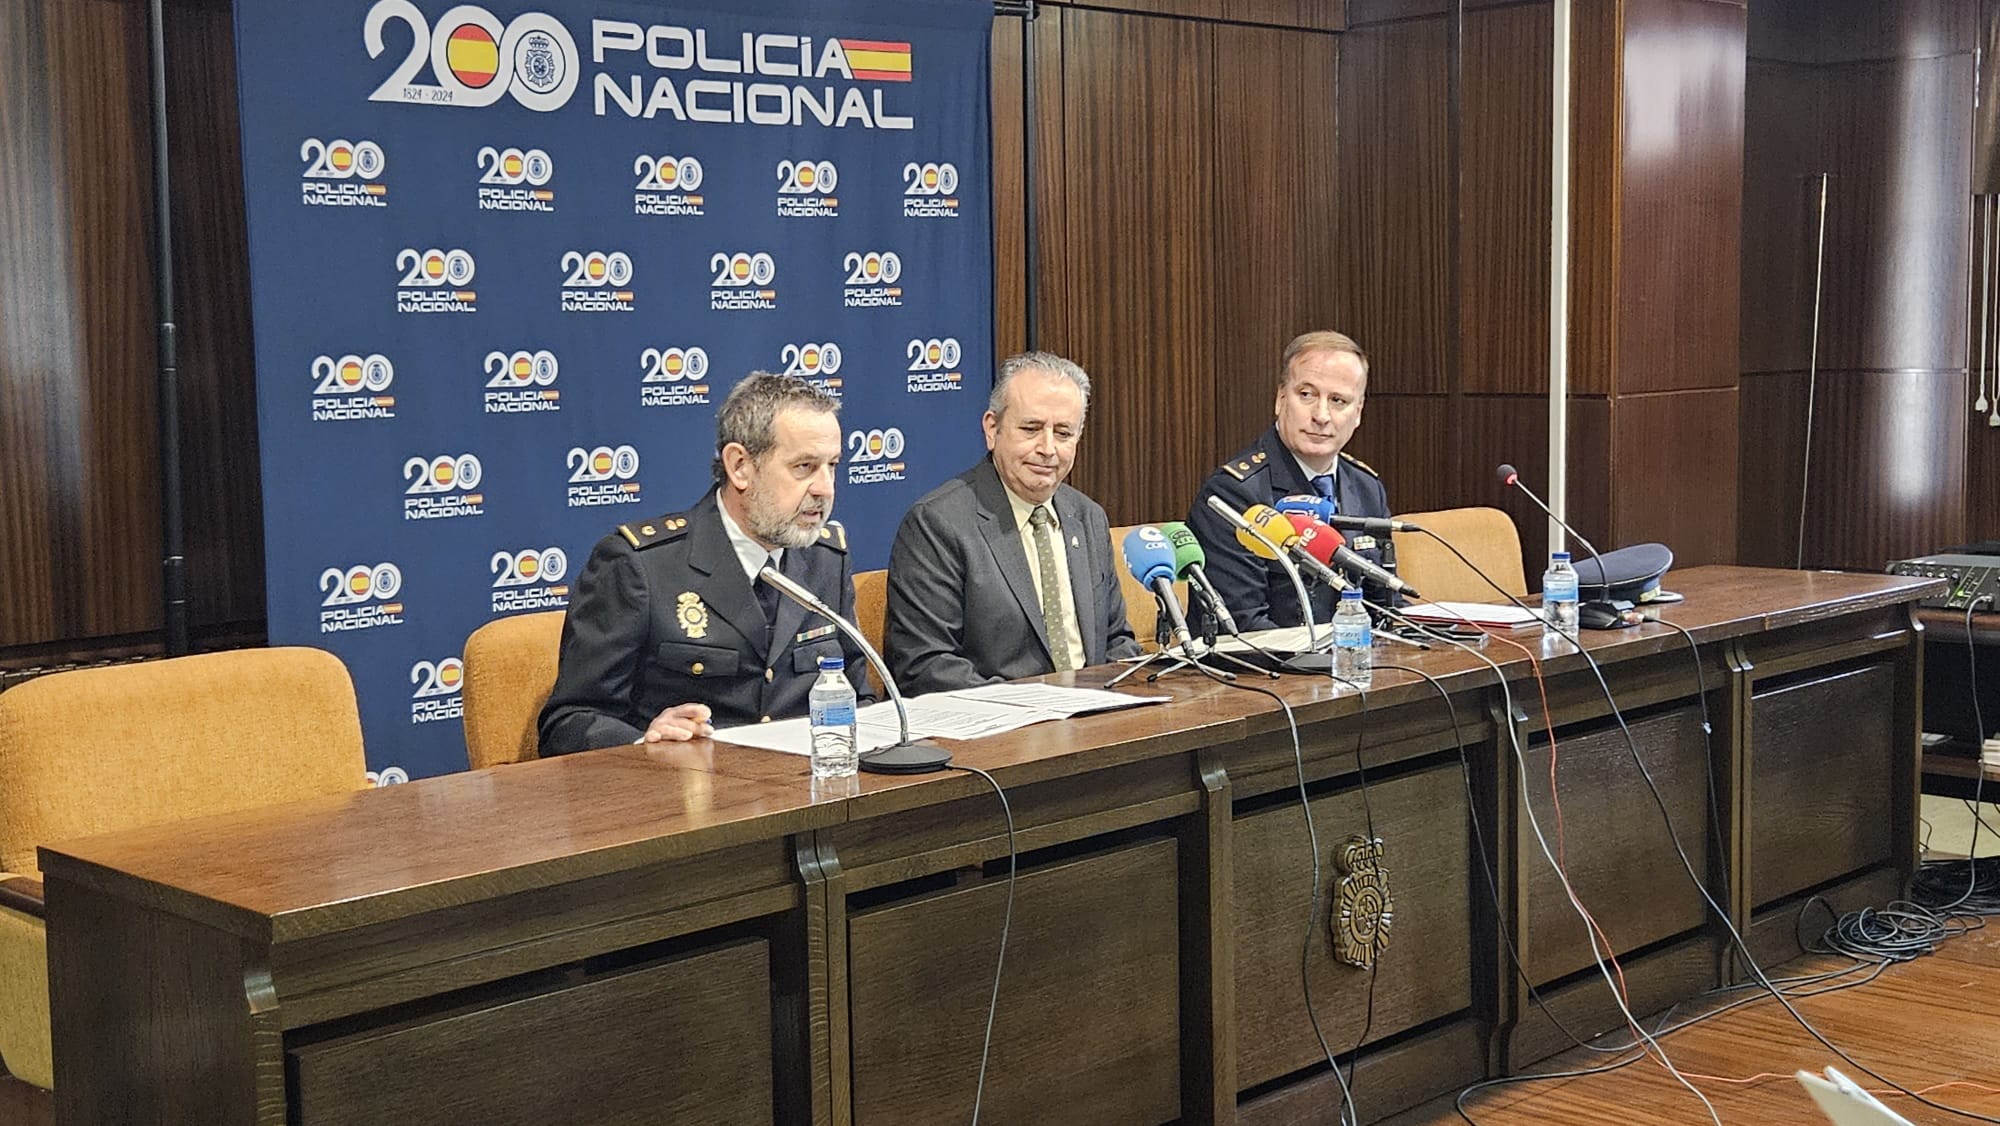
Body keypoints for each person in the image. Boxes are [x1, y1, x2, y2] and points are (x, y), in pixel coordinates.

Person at [539, 372, 869, 755]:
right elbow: (568, 723)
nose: (825, 488)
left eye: (833, 465)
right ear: (740, 466)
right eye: (804, 467)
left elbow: (859, 699)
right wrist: (644, 741)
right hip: (686, 786)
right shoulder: (640, 566)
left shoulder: (827, 559)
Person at [885, 351, 1141, 694]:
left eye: (1063, 433)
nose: (1048, 448)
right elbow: (926, 666)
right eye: (1031, 429)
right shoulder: (937, 524)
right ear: (993, 429)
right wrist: (1037, 706)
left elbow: (1117, 640)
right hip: (999, 720)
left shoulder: (1087, 517)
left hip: (1096, 715)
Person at [1186, 330, 1396, 632]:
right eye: (1307, 395)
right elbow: (1242, 626)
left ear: (1358, 412)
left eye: (1338, 400)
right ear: (1281, 399)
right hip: (1273, 661)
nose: (1321, 415)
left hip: (1358, 657)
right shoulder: (1233, 494)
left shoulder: (1366, 487)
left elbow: (1386, 605)